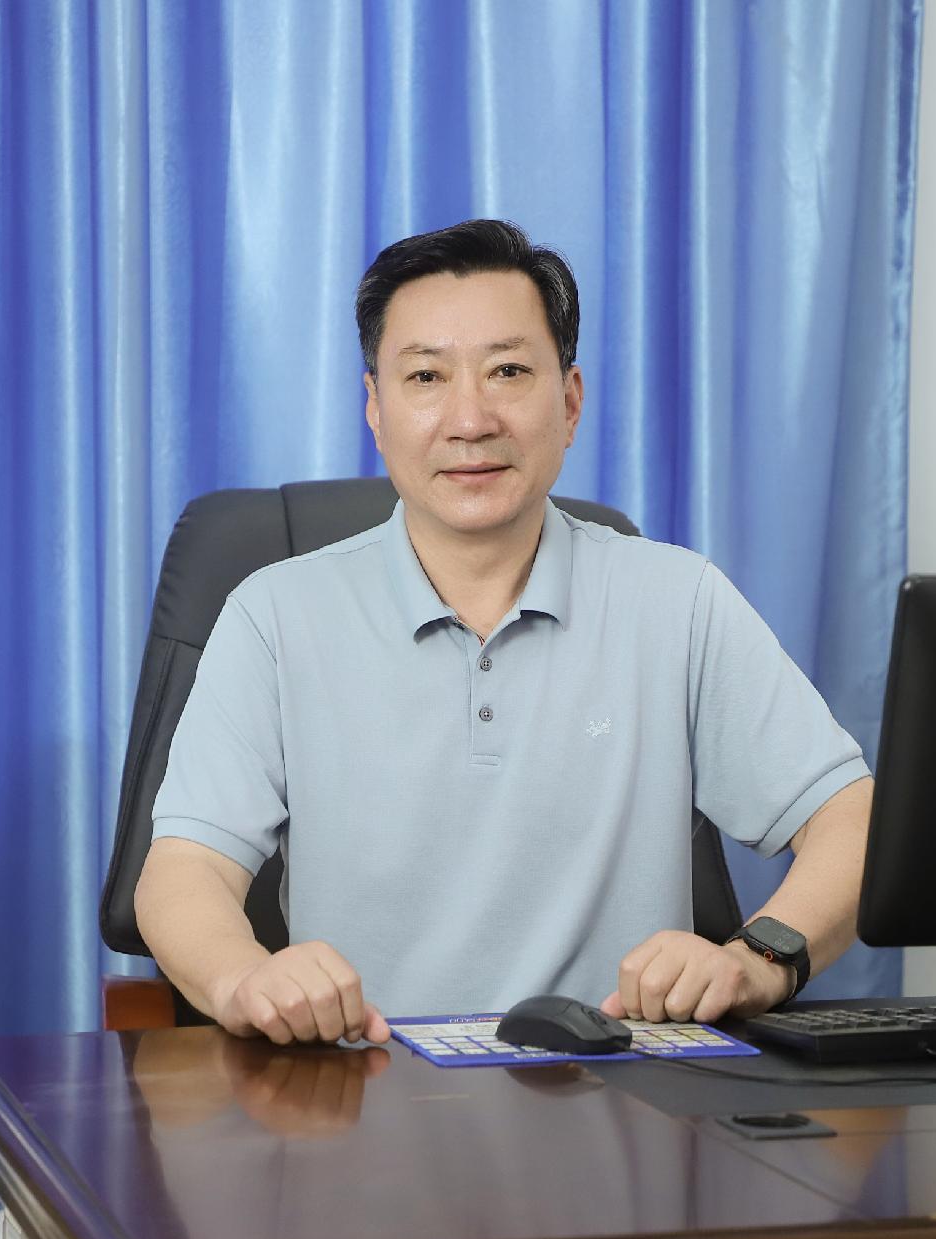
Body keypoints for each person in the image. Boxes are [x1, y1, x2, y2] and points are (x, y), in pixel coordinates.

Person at [135, 219, 873, 1045]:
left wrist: (759, 959)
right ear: (374, 406)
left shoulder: (677, 600)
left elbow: (851, 819)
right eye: (425, 376)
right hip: (360, 1085)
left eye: (508, 371)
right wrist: (245, 978)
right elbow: (183, 872)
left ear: (570, 400)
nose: (470, 419)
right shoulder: (274, 615)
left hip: (621, 1080)